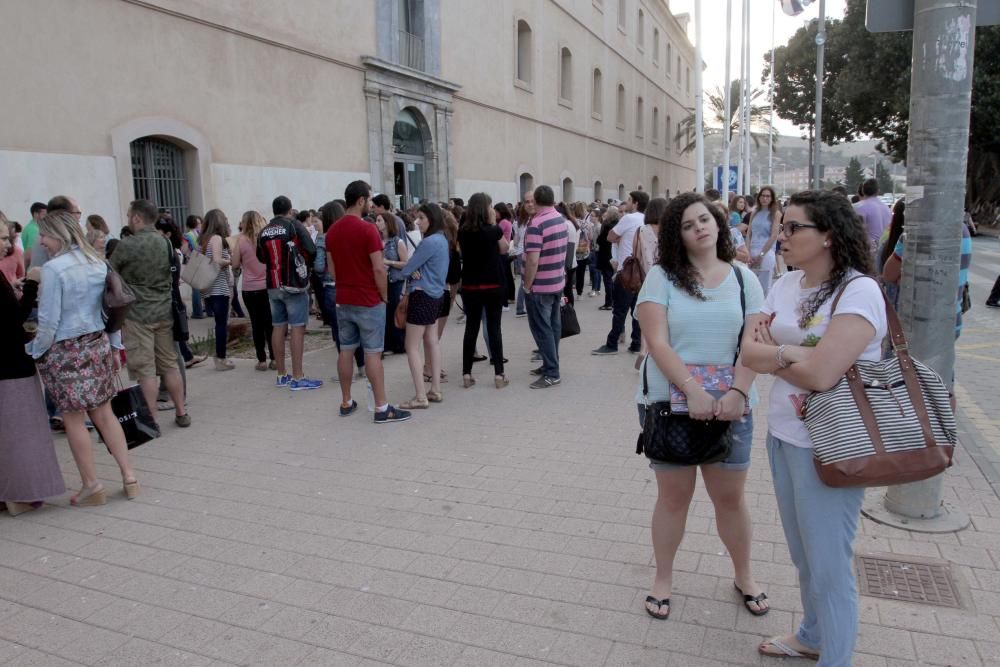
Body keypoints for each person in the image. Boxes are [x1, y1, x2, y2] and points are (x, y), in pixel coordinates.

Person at [742, 190, 887, 665]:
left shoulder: (859, 290)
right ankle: (812, 635)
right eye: (781, 226)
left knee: (829, 566)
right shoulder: (784, 285)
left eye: (792, 227)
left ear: (827, 235)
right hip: (783, 435)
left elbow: (823, 375)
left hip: (833, 445)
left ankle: (835, 656)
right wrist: (803, 355)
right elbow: (748, 350)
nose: (780, 236)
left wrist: (779, 355)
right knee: (804, 556)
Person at [635, 192, 767, 623]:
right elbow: (657, 342)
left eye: (705, 219)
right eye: (689, 225)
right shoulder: (662, 277)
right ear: (678, 236)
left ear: (719, 223)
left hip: (732, 406)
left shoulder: (746, 279)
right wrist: (692, 389)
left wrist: (738, 394)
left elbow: (754, 345)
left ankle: (744, 575)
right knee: (673, 498)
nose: (699, 228)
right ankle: (663, 579)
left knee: (730, 499)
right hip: (669, 402)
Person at [27, 211, 140, 506]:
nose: (41, 241)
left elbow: (49, 322)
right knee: (105, 413)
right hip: (97, 343)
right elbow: (112, 308)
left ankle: (92, 484)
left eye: (44, 235)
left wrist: (34, 350)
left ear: (57, 234)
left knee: (74, 419)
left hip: (65, 351)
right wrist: (115, 346)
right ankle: (129, 476)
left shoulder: (54, 269)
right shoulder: (96, 262)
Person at [327, 180, 411, 423]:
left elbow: (332, 270)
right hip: (368, 299)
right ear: (361, 200)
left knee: (346, 350)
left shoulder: (332, 231)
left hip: (344, 299)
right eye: (370, 200)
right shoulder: (367, 230)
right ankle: (382, 407)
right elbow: (378, 269)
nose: (372, 205)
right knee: (373, 352)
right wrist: (384, 297)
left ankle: (346, 401)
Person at [1, 217, 66, 515]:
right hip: (10, 365)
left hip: (10, 363)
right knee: (20, 433)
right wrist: (31, 285)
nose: (8, 244)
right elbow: (12, 319)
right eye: (3, 238)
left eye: (8, 237)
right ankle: (19, 494)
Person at [109, 199, 191, 430]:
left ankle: (152, 418)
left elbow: (109, 273)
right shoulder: (164, 243)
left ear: (136, 218)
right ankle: (181, 411)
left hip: (137, 315)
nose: (127, 220)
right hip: (164, 311)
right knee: (169, 364)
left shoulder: (126, 245)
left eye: (128, 216)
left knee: (145, 369)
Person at [257, 195, 322, 390]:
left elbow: (261, 257)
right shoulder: (293, 226)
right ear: (290, 209)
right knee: (297, 328)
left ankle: (281, 375)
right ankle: (298, 377)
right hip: (293, 283)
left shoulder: (264, 231)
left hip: (272, 284)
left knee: (278, 326)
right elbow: (311, 249)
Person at [397, 202, 450, 408]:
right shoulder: (442, 240)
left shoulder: (429, 242)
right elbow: (413, 267)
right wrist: (413, 269)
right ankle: (434, 389)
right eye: (417, 218)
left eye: (422, 218)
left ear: (432, 219)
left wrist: (409, 268)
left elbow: (407, 268)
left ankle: (420, 396)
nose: (417, 222)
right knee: (432, 342)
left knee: (411, 346)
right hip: (436, 295)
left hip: (422, 295)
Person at [458, 193, 510, 390]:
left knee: (471, 328)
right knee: (494, 328)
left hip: (470, 285)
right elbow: (504, 249)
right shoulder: (493, 230)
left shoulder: (463, 231)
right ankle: (499, 373)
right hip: (493, 284)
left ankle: (466, 373)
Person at [592, 190, 648, 355]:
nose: (627, 202)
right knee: (636, 311)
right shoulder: (647, 219)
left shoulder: (629, 218)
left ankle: (612, 344)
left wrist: (620, 238)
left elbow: (610, 236)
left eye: (630, 199)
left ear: (636, 203)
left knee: (619, 310)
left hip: (626, 270)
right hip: (643, 272)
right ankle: (636, 343)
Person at [523, 185, 567, 389]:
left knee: (542, 329)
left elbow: (532, 260)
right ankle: (551, 363)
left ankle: (552, 371)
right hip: (557, 282)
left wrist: (527, 285)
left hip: (540, 286)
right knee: (553, 327)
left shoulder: (537, 224)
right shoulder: (559, 219)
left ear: (537, 201)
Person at [232, 211, 275, 371]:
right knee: (269, 324)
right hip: (266, 286)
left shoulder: (241, 241)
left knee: (256, 324)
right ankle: (275, 358)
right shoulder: (266, 239)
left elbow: (235, 264)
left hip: (249, 288)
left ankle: (261, 360)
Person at [199, 209, 236, 371]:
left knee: (219, 323)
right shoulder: (217, 239)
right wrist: (231, 260)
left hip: (210, 287)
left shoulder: (206, 239)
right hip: (219, 287)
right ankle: (221, 358)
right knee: (221, 324)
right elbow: (217, 260)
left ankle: (220, 356)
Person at [378, 211, 410, 355]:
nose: (377, 224)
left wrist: (389, 262)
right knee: (384, 313)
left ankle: (399, 343)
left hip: (395, 280)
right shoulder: (377, 241)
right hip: (381, 280)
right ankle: (387, 344)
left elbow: (405, 263)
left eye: (379, 221)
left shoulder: (397, 241)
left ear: (387, 223)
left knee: (395, 311)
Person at [746, 186, 782, 295]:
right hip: (751, 253)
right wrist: (747, 253)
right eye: (763, 195)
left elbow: (773, 236)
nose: (765, 198)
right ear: (759, 197)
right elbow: (749, 233)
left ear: (772, 198)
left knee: (764, 289)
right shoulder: (754, 212)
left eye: (768, 196)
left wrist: (761, 255)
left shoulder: (776, 213)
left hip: (766, 253)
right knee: (750, 287)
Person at [853, 178, 891, 258]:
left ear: (862, 191)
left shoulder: (858, 207)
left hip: (865, 252)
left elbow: (854, 232)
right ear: (878, 191)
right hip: (884, 251)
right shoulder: (886, 208)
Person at [595, 207, 619, 311]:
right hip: (614, 254)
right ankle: (614, 300)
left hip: (606, 255)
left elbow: (600, 240)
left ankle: (609, 302)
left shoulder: (607, 225)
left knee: (607, 279)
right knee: (612, 278)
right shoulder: (618, 224)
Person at [182, 215, 205, 318]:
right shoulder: (201, 234)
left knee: (195, 289)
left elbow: (184, 250)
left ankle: (197, 312)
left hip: (193, 262)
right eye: (199, 223)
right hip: (203, 261)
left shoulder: (187, 236)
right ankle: (208, 310)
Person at [21, 202, 46, 267]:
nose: (47, 217)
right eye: (44, 214)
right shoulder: (34, 230)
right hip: (32, 270)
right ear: (36, 214)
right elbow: (29, 255)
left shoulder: (30, 227)